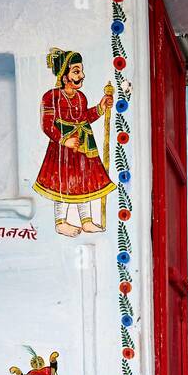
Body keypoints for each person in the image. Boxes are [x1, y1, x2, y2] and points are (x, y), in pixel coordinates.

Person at [34, 48, 115, 235]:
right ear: (64, 76)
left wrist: (100, 108)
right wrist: (64, 140)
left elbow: (83, 118)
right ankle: (61, 223)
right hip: (61, 149)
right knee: (62, 184)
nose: (82, 75)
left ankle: (86, 221)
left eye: (81, 71)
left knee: (82, 183)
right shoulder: (51, 97)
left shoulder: (81, 97)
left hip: (82, 147)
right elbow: (47, 126)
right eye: (76, 71)